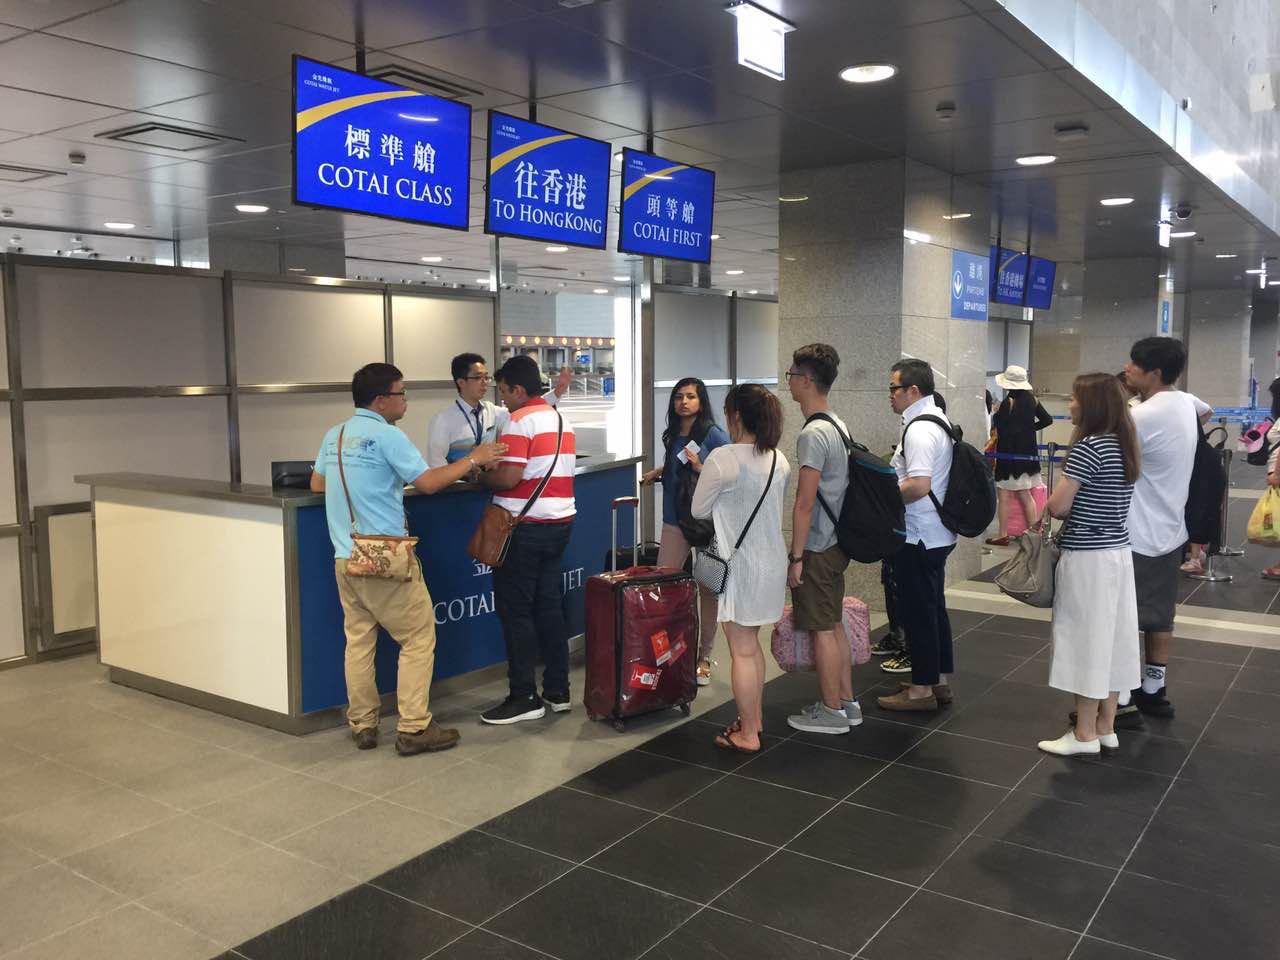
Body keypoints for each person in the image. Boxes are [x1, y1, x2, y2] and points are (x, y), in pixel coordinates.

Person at [311, 363, 506, 754]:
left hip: (345, 557)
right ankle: (414, 727)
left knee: (359, 641)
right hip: (385, 557)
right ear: (381, 400)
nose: (405, 401)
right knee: (418, 636)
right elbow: (429, 483)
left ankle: (363, 724)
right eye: (401, 393)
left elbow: (318, 483)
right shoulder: (389, 437)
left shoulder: (336, 435)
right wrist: (474, 459)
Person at [1037, 373, 1141, 756]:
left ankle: (1083, 734)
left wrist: (1049, 502)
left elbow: (1059, 505)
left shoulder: (1089, 447)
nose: (1070, 404)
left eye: (1074, 398)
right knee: (1114, 640)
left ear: (1092, 405)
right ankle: (1105, 726)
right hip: (1118, 554)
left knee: (1085, 641)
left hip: (1087, 558)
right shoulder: (1124, 445)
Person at [476, 355, 577, 725]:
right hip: (560, 524)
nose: (502, 399)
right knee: (549, 606)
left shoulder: (519, 421)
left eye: (504, 391)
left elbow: (508, 478)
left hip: (524, 528)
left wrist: (479, 475)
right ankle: (558, 690)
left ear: (518, 390)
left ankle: (523, 696)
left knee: (516, 611)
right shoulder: (559, 419)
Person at [690, 384, 790, 753]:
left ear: (735, 416)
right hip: (772, 562)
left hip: (740, 566)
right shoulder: (779, 459)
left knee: (742, 649)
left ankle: (747, 734)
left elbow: (699, 510)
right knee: (752, 644)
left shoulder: (723, 458)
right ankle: (754, 720)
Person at [781, 343, 859, 735]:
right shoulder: (838, 425)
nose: (789, 382)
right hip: (837, 543)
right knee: (834, 623)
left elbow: (804, 503)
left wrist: (796, 558)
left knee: (822, 629)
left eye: (792, 375)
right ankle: (846, 703)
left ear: (807, 380)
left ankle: (831, 712)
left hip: (817, 546)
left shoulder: (813, 433)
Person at [1123, 337, 1198, 721]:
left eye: (1134, 364)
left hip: (1137, 531)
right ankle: (1154, 689)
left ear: (1154, 372)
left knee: (1123, 617)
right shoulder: (1185, 403)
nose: (1127, 368)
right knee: (1160, 615)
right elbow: (1206, 409)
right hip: (1172, 527)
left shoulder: (1141, 417)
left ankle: (1121, 698)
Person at [876, 358, 957, 710]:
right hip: (936, 533)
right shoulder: (936, 418)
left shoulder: (919, 430)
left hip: (919, 533)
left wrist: (884, 498)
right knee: (933, 607)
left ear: (913, 390)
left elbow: (919, 485)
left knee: (919, 611)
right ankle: (937, 679)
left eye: (894, 388)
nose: (890, 395)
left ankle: (922, 690)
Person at [639, 378, 730, 685]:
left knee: (707, 589)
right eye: (678, 397)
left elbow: (730, 472)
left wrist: (702, 468)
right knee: (664, 586)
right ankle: (666, 653)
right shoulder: (673, 433)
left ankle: (704, 656)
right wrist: (658, 472)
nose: (684, 402)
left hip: (705, 523)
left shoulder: (713, 434)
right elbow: (676, 465)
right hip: (674, 520)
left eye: (690, 396)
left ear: (701, 401)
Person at [426, 352, 569, 468]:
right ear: (461, 382)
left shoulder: (492, 412)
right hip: (457, 489)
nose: (485, 383)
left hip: (488, 486)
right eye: (478, 377)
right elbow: (436, 465)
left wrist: (557, 393)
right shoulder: (443, 420)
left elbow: (527, 407)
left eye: (486, 377)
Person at [985, 365, 1053, 546]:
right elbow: (1047, 420)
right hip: (1027, 454)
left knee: (1004, 495)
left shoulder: (1007, 403)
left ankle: (1003, 534)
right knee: (1025, 494)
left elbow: (1001, 427)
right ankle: (1034, 535)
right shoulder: (1033, 400)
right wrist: (1030, 429)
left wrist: (996, 413)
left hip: (1008, 455)